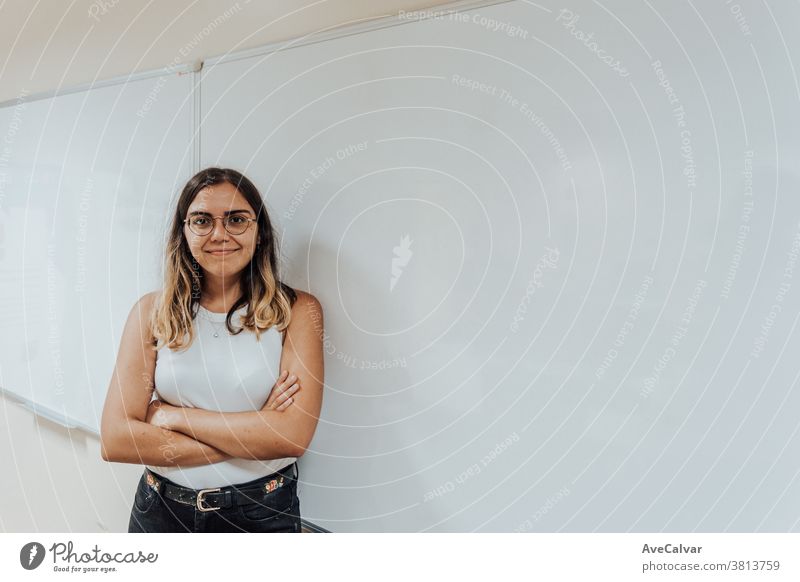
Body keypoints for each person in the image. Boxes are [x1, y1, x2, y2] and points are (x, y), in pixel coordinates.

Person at [100, 167, 324, 533]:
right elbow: (116, 440)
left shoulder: (297, 311)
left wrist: (174, 417)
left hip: (259, 514)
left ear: (259, 231)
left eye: (236, 219)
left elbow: (290, 437)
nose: (219, 234)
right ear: (184, 231)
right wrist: (253, 434)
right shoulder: (151, 313)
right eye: (202, 220)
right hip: (160, 512)